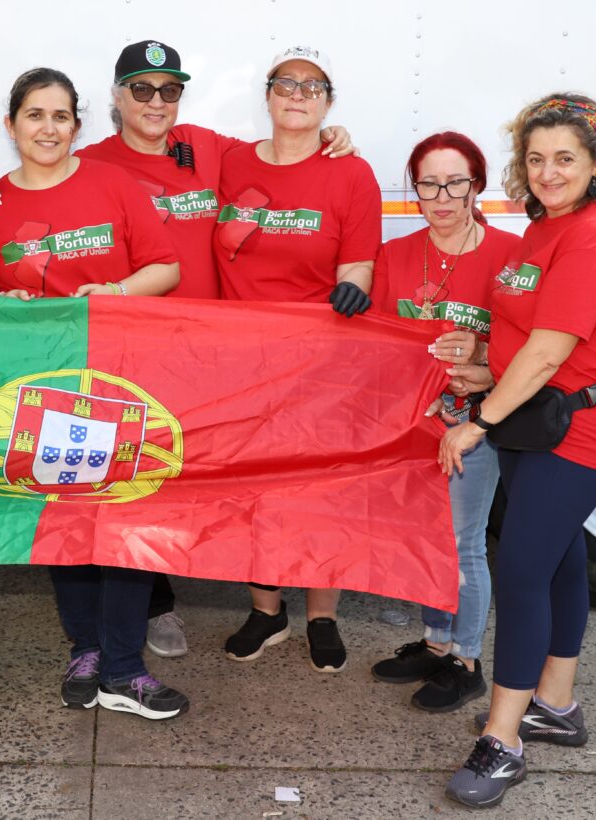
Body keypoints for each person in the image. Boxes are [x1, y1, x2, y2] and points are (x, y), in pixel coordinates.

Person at [0, 41, 354, 660]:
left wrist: (328, 133)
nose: (156, 101)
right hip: (131, 356)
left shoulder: (205, 148)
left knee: (216, 480)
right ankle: (153, 606)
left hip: (211, 352)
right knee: (131, 483)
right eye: (141, 89)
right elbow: (35, 182)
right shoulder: (92, 162)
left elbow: (281, 154)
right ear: (116, 98)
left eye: (169, 90)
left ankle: (260, 604)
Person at [0, 67, 189, 720]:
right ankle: (85, 650)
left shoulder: (111, 183)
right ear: (11, 126)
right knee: (66, 521)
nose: (48, 128)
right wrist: (4, 306)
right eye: (34, 115)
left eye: (60, 116)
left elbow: (166, 268)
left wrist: (114, 292)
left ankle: (124, 667)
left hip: (120, 378)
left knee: (124, 518)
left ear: (77, 126)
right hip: (42, 389)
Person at [439, 94, 596, 809]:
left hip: (582, 426)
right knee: (558, 561)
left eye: (564, 158)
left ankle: (504, 740)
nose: (547, 172)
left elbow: (553, 350)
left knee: (522, 571)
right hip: (540, 418)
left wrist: (479, 420)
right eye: (535, 158)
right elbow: (532, 332)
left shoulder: (592, 234)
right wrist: (485, 364)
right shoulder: (544, 228)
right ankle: (555, 705)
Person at [213, 46, 380, 672]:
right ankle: (266, 611)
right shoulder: (229, 162)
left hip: (319, 365)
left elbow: (358, 262)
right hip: (242, 363)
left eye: (313, 87)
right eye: (286, 83)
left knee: (320, 491)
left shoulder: (351, 173)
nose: (298, 94)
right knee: (252, 491)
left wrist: (354, 288)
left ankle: (322, 616)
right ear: (267, 95)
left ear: (329, 103)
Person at [369, 132, 520, 712]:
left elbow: (533, 345)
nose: (442, 197)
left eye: (455, 183)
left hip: (476, 421)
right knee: (423, 534)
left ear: (476, 185)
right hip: (416, 421)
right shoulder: (396, 255)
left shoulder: (510, 255)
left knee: (462, 541)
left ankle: (467, 661)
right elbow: (380, 342)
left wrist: (482, 363)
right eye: (428, 184)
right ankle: (436, 643)